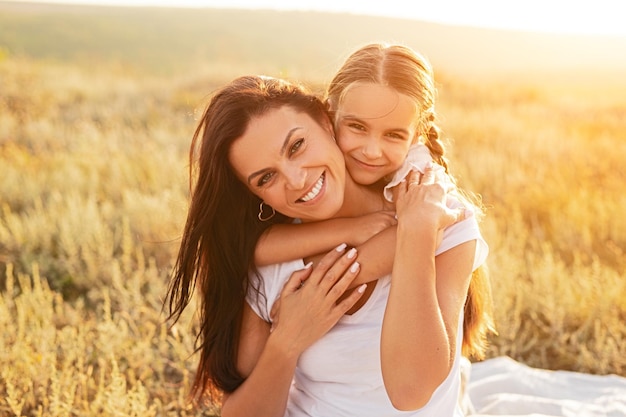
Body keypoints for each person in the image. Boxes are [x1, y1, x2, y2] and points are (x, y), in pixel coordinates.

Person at [166, 73, 488, 416]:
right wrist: (287, 341)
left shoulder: (438, 218)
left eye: (296, 146)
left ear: (326, 120)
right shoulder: (273, 265)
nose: (296, 179)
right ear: (255, 195)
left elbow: (410, 392)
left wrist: (416, 228)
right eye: (266, 177)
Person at [254, 43, 495, 363]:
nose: (371, 150)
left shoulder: (420, 181)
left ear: (416, 137)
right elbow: (258, 249)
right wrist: (350, 228)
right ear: (329, 115)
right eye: (357, 127)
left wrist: (315, 296)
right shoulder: (312, 175)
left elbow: (405, 237)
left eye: (393, 135)